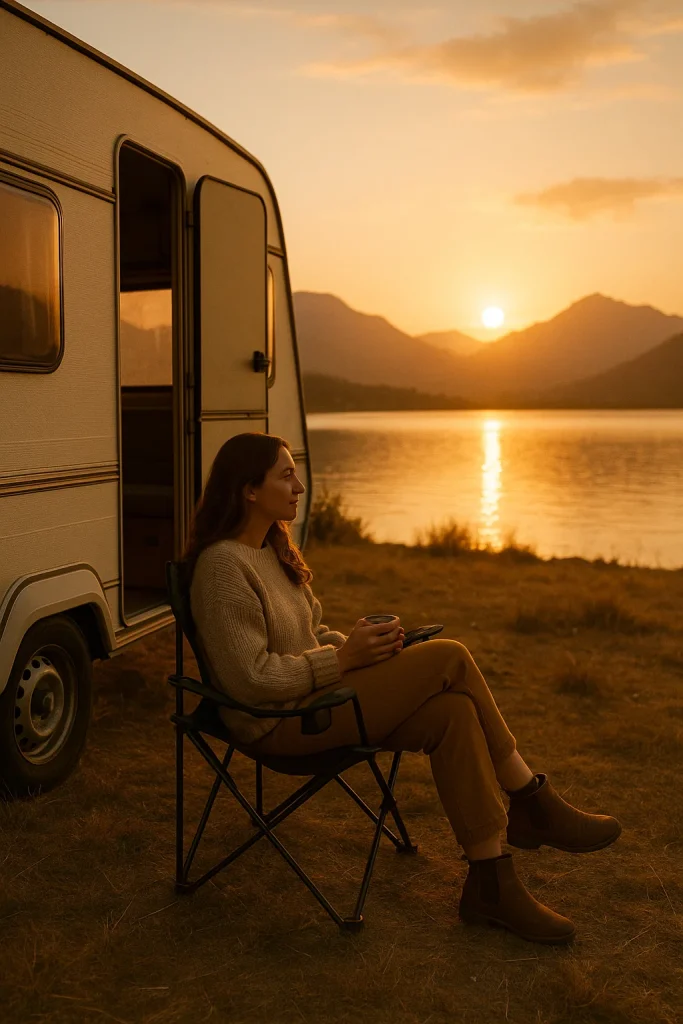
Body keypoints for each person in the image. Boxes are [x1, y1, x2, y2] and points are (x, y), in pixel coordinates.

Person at [185, 432, 622, 945]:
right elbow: (251, 680)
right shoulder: (221, 568)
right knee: (451, 656)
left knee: (453, 711)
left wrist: (361, 647)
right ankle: (531, 800)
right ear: (248, 490)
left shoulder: (274, 551)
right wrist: (344, 659)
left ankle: (490, 884)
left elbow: (311, 636)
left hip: (322, 702)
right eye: (285, 475)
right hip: (280, 723)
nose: (300, 485)